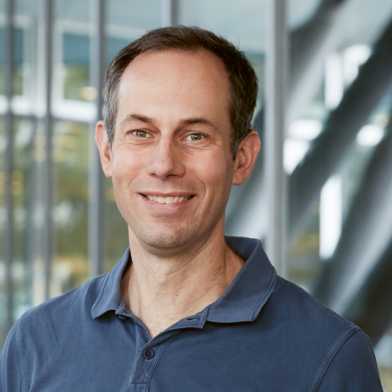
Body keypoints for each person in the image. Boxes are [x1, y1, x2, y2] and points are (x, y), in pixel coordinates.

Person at [0, 26, 383, 391]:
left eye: (195, 135)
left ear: (243, 158)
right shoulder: (37, 341)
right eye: (141, 133)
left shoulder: (328, 357)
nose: (164, 164)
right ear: (106, 150)